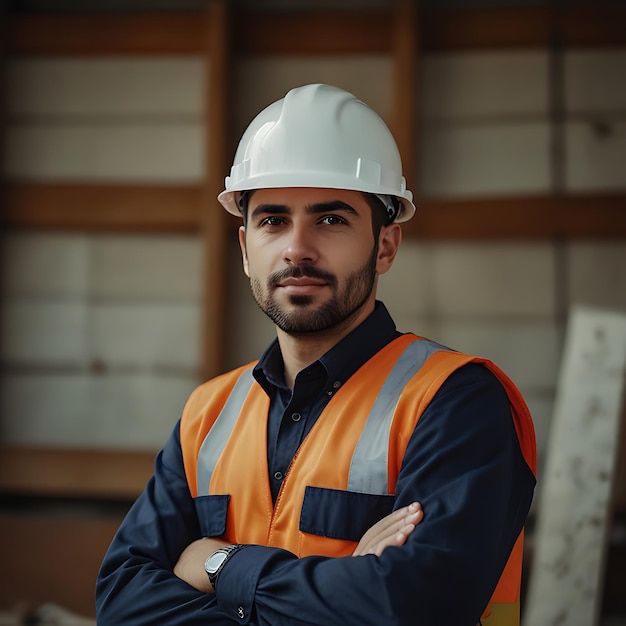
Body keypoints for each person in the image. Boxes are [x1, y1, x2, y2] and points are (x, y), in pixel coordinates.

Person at [96, 83, 536, 626]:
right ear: (245, 249)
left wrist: (217, 562)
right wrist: (345, 585)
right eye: (272, 220)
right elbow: (121, 601)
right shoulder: (206, 415)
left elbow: (415, 607)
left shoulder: (456, 402)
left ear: (385, 246)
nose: (297, 247)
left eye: (331, 220)